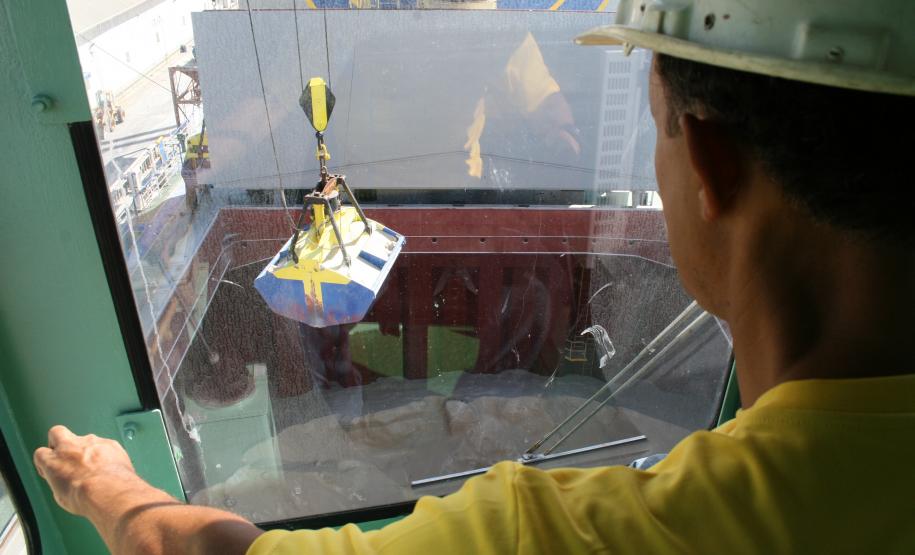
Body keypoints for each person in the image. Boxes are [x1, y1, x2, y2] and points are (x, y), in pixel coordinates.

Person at [34, 1, 915, 553]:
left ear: (710, 165)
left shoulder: (560, 533)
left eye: (661, 129)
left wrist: (106, 486)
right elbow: (560, 130)